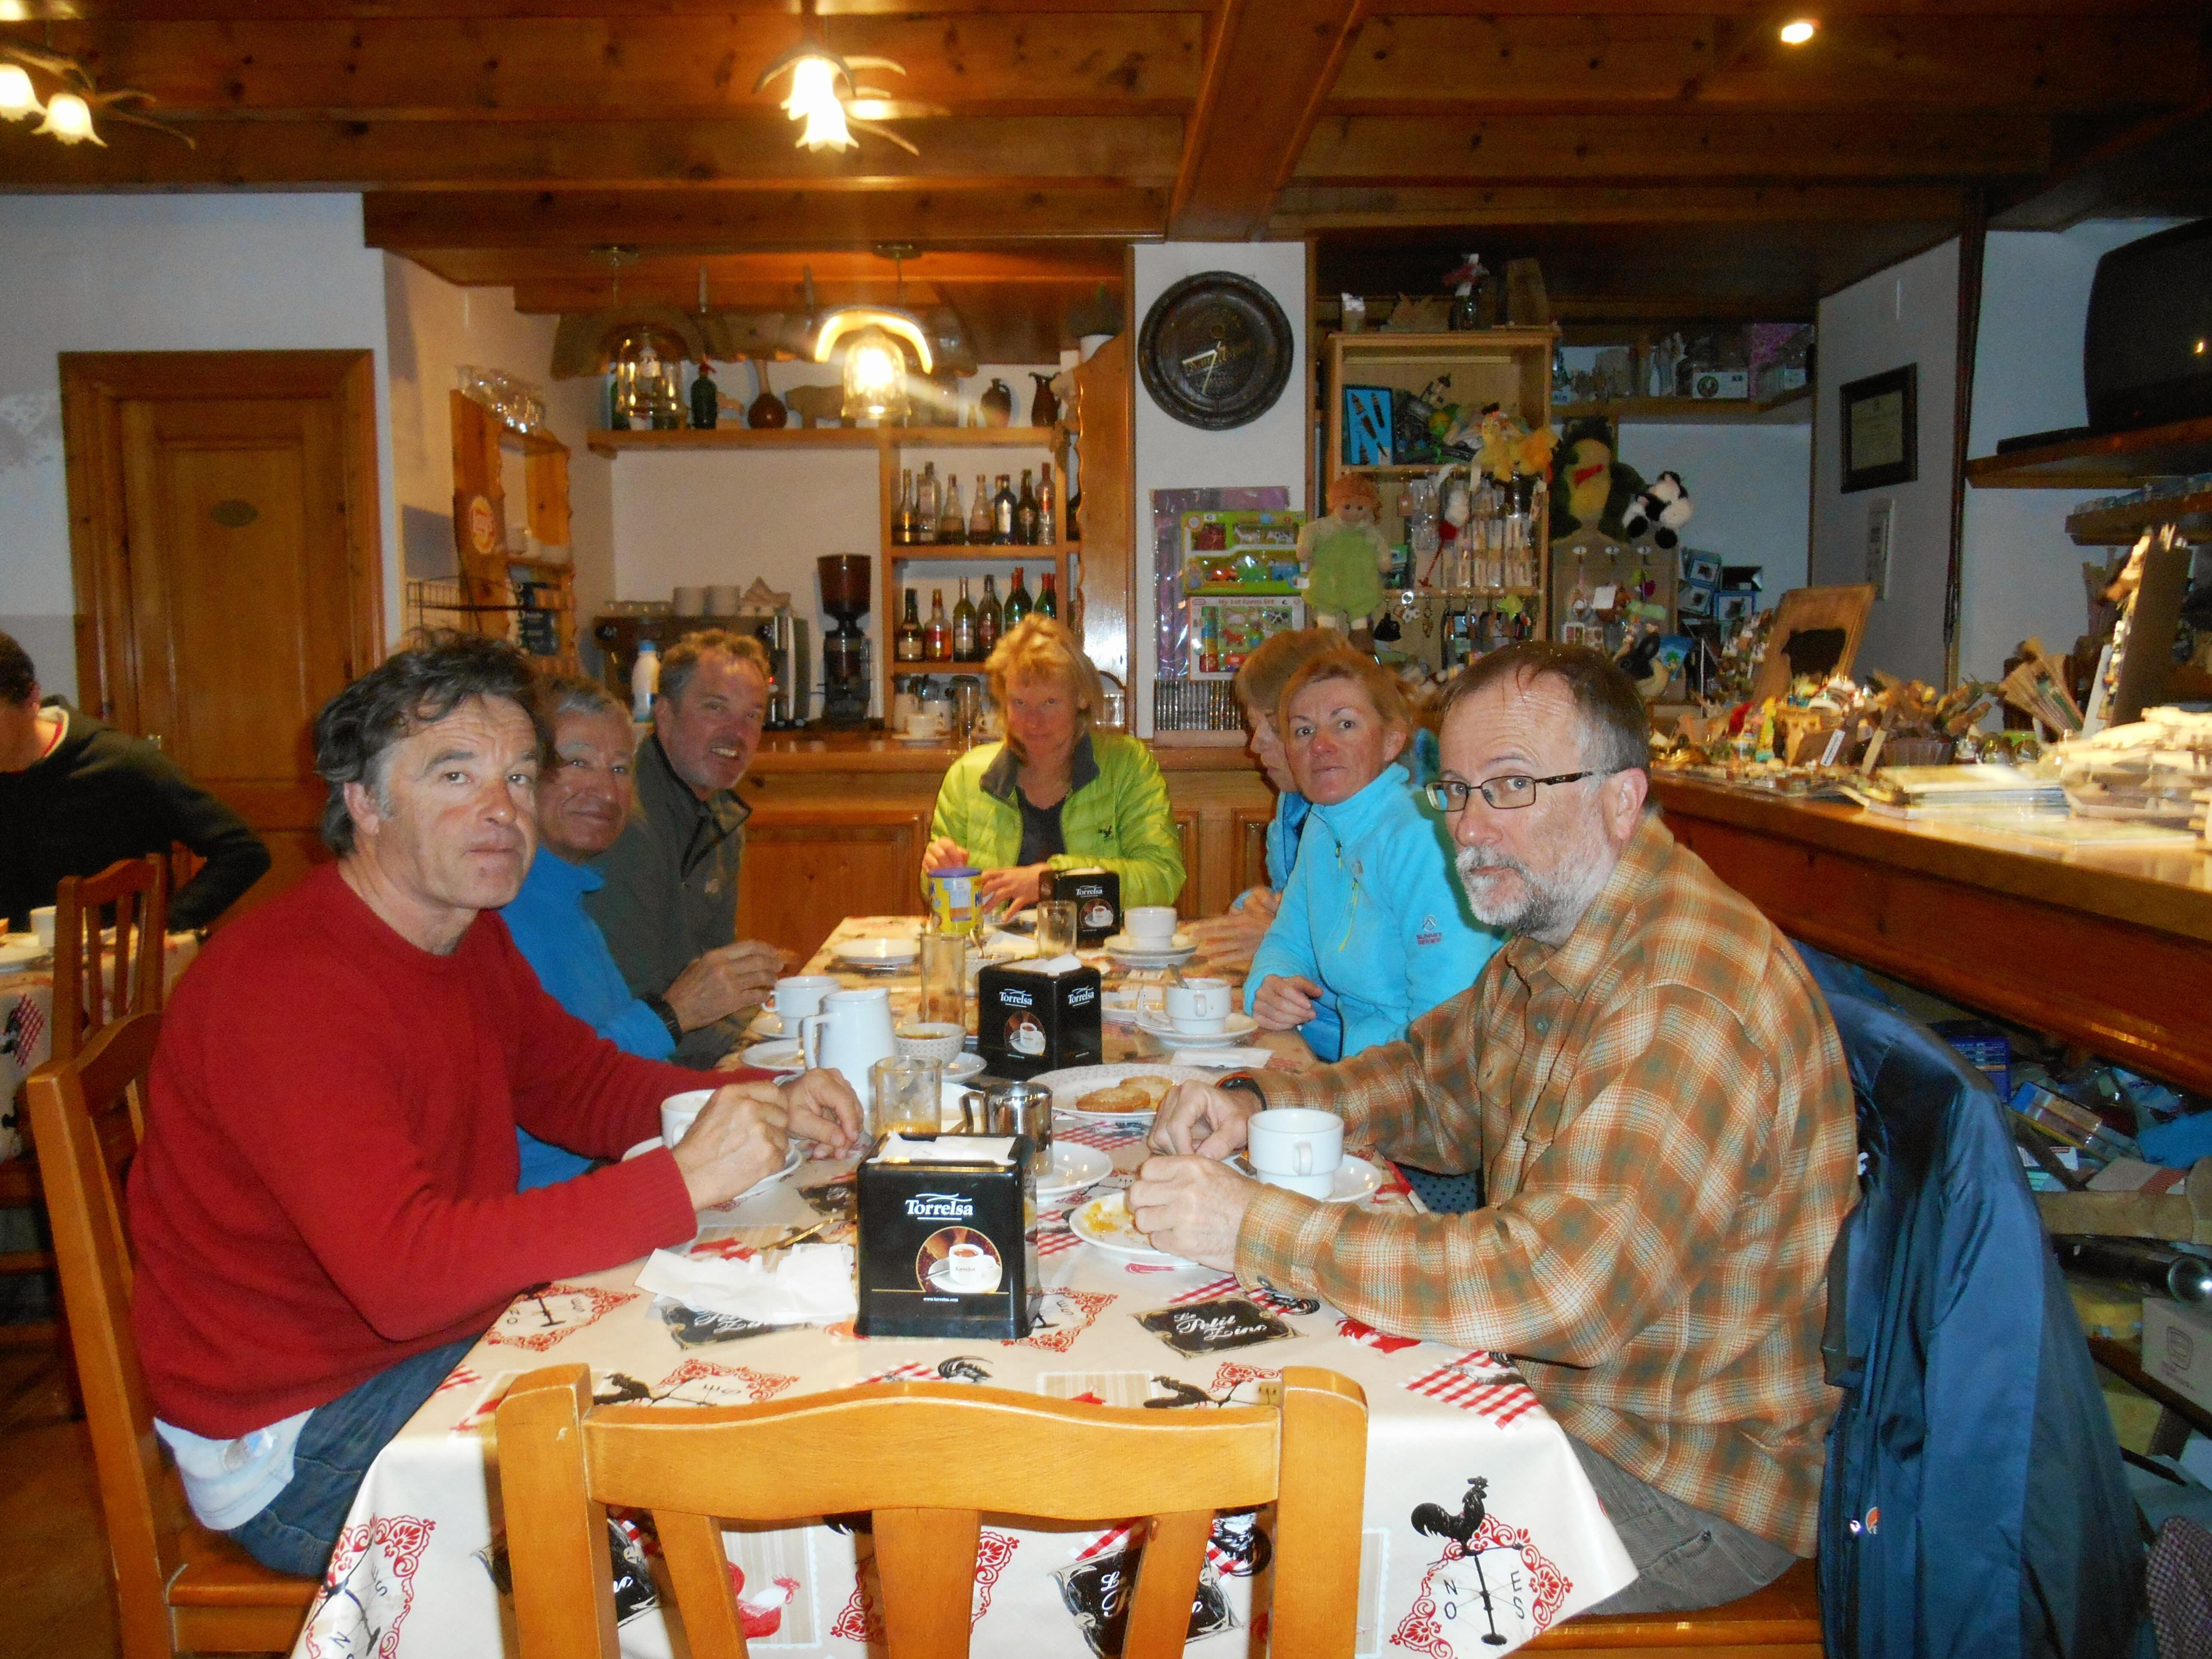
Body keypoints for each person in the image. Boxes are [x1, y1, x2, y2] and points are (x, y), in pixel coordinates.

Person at [1132, 641, 1857, 1613]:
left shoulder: (1683, 993)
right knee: (1244, 1489)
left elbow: (1559, 1287)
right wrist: (1260, 1101)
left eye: (1512, 786)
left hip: (1677, 1480)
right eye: (1459, 790)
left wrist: (1252, 1225)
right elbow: (1435, 1081)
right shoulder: (1560, 932)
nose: (1471, 828)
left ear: (1620, 798)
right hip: (1554, 1408)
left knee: (1273, 1567)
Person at [127, 636, 861, 1579]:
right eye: (455, 774)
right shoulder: (287, 986)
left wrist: (764, 1097)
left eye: (517, 776)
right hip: (303, 1437)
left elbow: (582, 1088)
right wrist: (678, 1180)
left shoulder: (462, 935)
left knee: (756, 1361)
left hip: (438, 1341)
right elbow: (406, 1275)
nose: (501, 809)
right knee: (706, 1452)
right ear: (364, 801)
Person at [501, 674, 787, 1188]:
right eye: (577, 762)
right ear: (521, 775)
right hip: (565, 1185)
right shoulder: (500, 914)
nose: (605, 790)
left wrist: (779, 1090)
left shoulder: (571, 897)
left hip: (621, 1154)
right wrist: (674, 1014)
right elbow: (567, 1086)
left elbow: (611, 1075)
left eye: (619, 768)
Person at [1244, 650, 1499, 1062]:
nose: (1321, 745)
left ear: (1391, 741)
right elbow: (1289, 940)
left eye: (1345, 725)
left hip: (1431, 1081)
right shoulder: (1322, 824)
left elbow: (1445, 1027)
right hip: (1362, 1069)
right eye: (1304, 731)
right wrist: (1268, 986)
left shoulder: (1424, 836)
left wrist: (1345, 1090)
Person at [585, 631, 787, 1065]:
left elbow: (719, 980)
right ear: (665, 714)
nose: (736, 733)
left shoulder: (721, 816)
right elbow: (640, 1009)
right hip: (635, 1064)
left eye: (752, 716)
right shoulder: (626, 827)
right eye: (715, 708)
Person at [0, 629, 270, 933]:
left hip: (115, 956)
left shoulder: (121, 762)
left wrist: (158, 927)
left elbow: (242, 852)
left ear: (31, 698)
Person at [922, 616, 1183, 914]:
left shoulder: (1127, 766)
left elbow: (1163, 877)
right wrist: (937, 872)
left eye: (1050, 703)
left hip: (1098, 942)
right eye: (1020, 703)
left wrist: (1055, 881)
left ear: (1081, 697)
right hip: (996, 942)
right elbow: (937, 897)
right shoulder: (967, 776)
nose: (1034, 722)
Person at [1179, 628, 1344, 975]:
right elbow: (1290, 901)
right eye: (1254, 725)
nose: (1255, 745)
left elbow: (1378, 954)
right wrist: (1254, 905)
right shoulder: (1292, 805)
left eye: (1274, 726)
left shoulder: (1392, 818)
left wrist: (1281, 939)